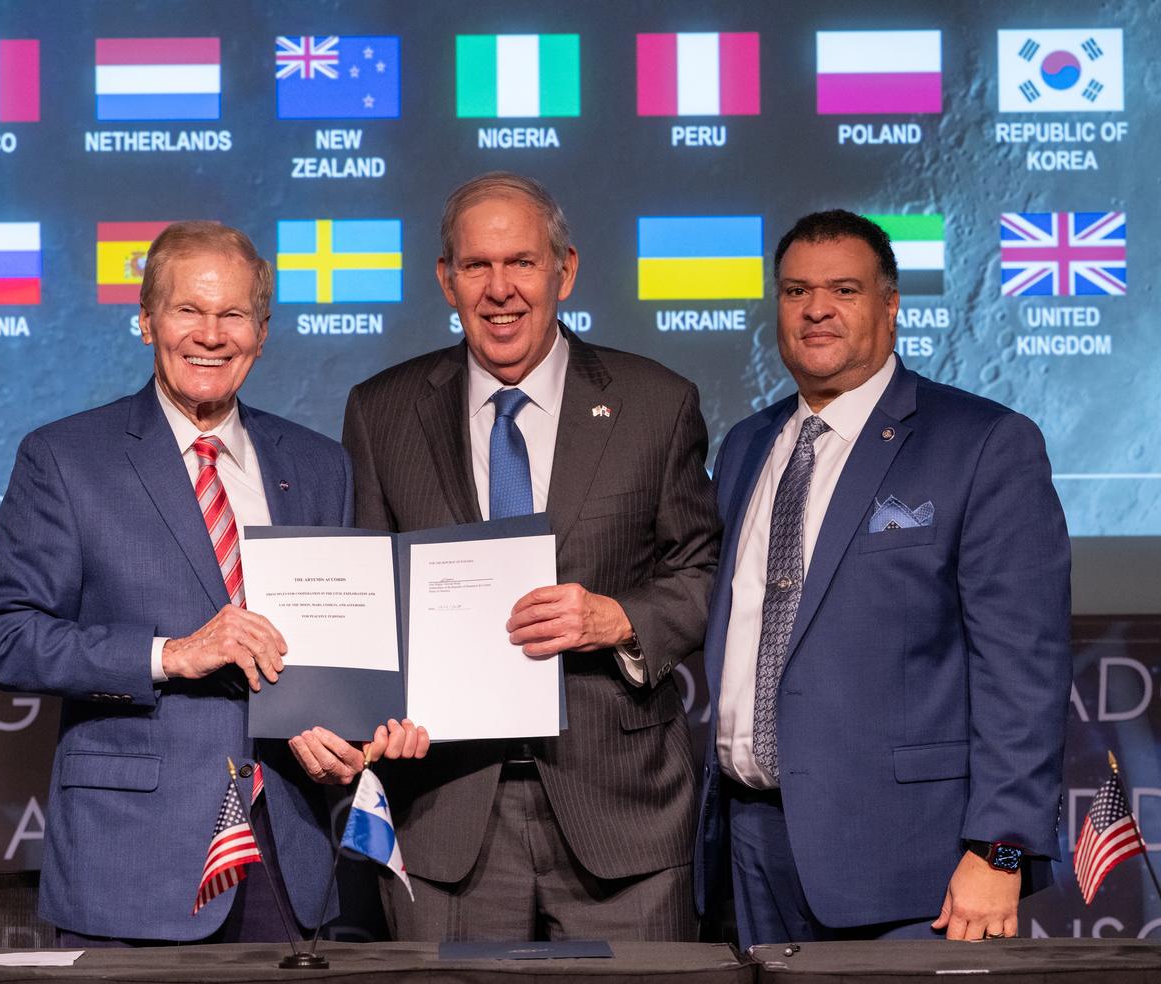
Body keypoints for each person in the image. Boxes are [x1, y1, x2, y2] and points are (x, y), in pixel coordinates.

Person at [0, 221, 423, 945]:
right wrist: (169, 654)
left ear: (263, 331)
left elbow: (335, 646)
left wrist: (351, 734)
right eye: (188, 310)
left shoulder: (317, 464)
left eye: (233, 314)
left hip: (291, 850)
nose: (210, 335)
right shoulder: (66, 458)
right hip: (135, 861)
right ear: (146, 318)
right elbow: (7, 636)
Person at [333, 172, 720, 941]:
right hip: (444, 814)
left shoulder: (655, 403)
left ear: (564, 271)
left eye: (522, 263)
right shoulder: (381, 413)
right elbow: (363, 606)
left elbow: (706, 574)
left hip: (624, 819)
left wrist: (616, 618)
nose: (500, 288)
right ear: (445, 279)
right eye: (476, 265)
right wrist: (370, 708)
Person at [695, 210, 1071, 946]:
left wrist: (1001, 850)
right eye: (796, 290)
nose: (816, 309)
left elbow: (1024, 671)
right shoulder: (745, 446)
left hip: (910, 868)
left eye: (844, 289)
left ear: (890, 304)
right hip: (748, 849)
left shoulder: (984, 444)